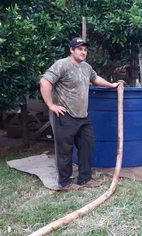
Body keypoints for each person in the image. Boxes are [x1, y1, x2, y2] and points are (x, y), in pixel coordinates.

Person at [40, 37, 119, 191]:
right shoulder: (62, 65)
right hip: (64, 114)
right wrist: (51, 105)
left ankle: (85, 178)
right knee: (65, 150)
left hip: (83, 116)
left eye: (85, 49)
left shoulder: (86, 67)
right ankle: (65, 182)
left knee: (87, 146)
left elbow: (95, 79)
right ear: (71, 50)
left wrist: (111, 85)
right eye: (80, 49)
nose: (83, 52)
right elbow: (44, 81)